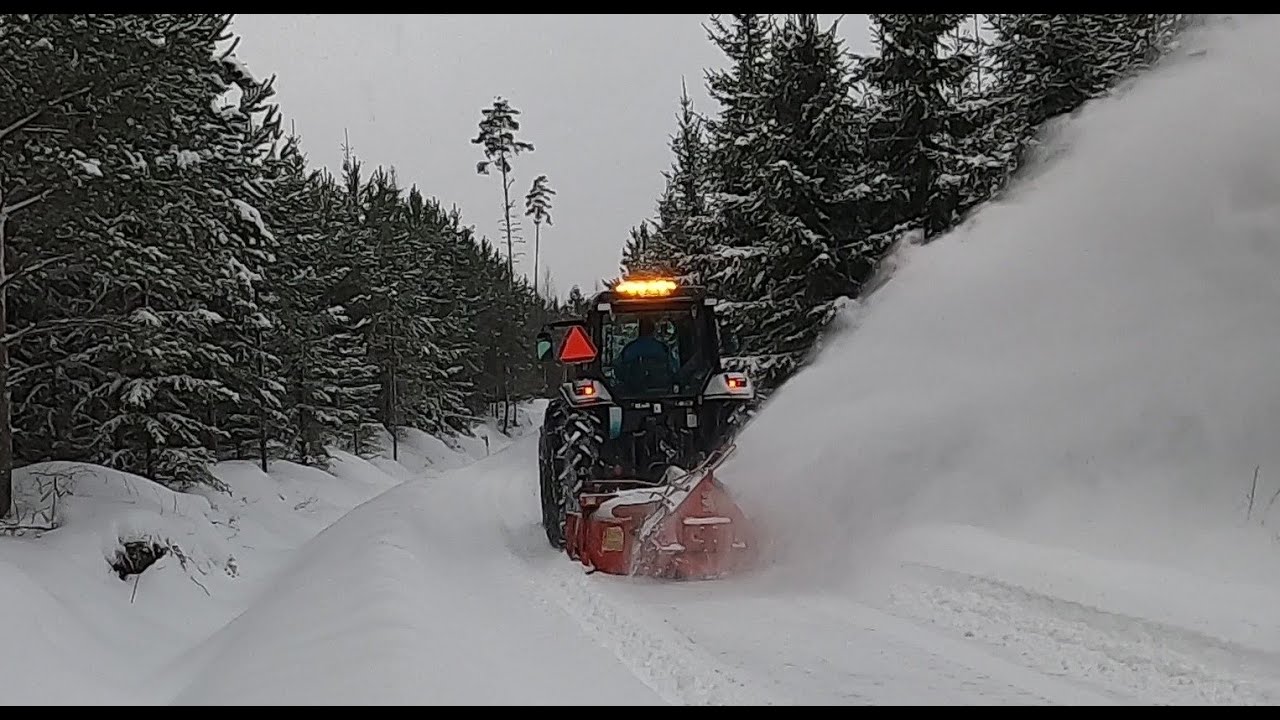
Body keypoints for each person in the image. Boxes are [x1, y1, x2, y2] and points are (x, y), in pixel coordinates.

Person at [616, 316, 677, 392]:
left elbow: (618, 372)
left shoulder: (629, 349)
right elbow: (673, 369)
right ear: (653, 330)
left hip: (633, 392)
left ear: (639, 330)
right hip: (661, 391)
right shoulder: (662, 349)